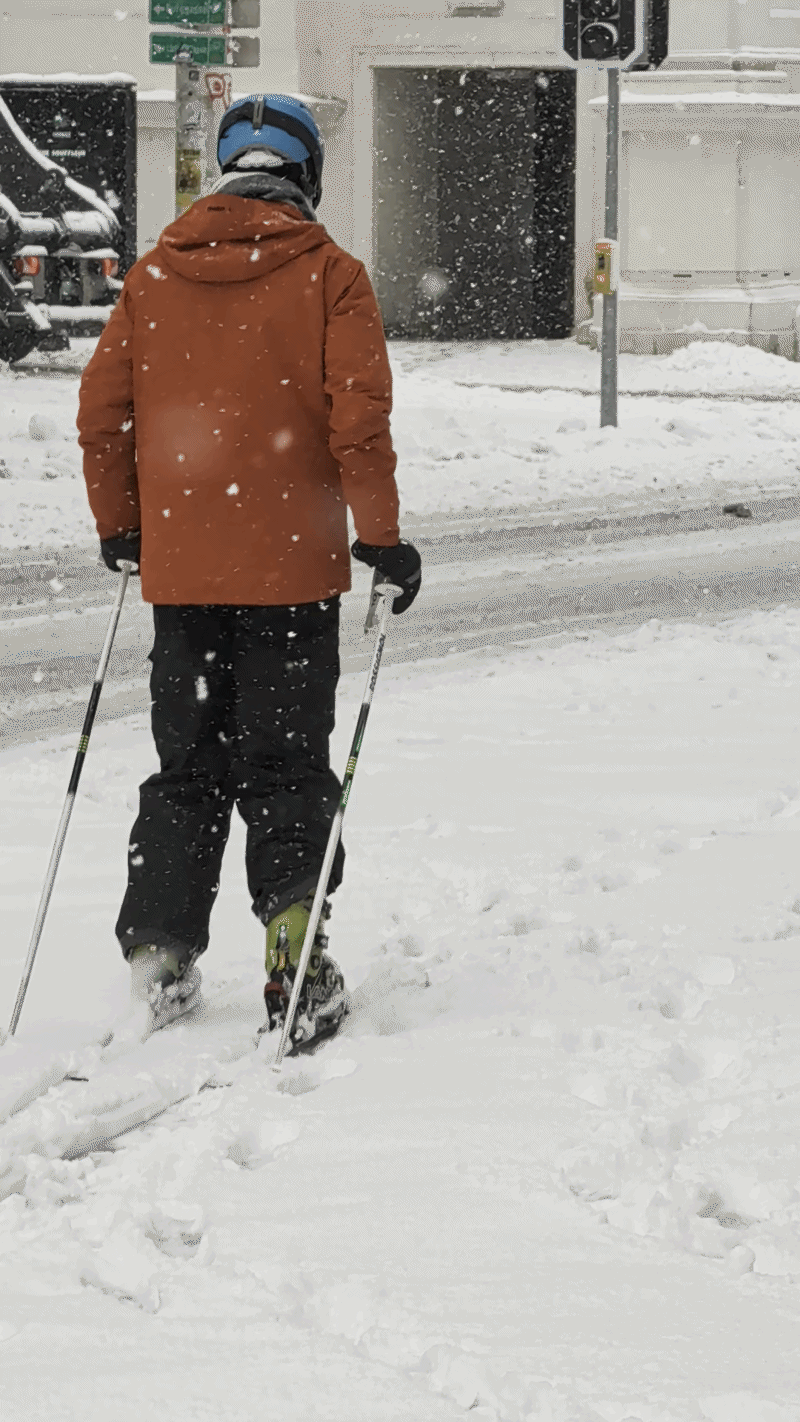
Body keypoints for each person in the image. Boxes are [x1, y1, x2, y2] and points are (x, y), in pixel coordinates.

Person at [77, 94, 421, 1050]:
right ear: (306, 176)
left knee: (186, 765)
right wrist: (383, 539)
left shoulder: (152, 275)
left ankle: (159, 956)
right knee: (286, 764)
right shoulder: (332, 275)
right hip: (292, 578)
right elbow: (360, 422)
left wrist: (122, 525)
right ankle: (293, 952)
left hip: (183, 578)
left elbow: (102, 415)